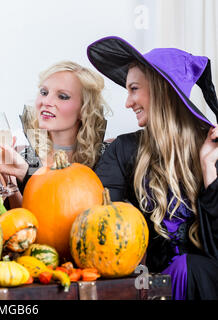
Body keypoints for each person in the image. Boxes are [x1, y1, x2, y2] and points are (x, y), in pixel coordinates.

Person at [87, 36, 218, 299]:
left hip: (205, 282)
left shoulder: (212, 148)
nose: (127, 102)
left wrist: (209, 170)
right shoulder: (123, 151)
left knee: (188, 266)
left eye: (134, 89)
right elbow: (102, 227)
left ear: (161, 89)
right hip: (145, 285)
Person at [0, 61, 110, 207]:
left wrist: (26, 175)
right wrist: (1, 176)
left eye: (63, 96)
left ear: (84, 110)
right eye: (44, 92)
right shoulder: (26, 157)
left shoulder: (105, 157)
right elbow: (20, 219)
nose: (47, 101)